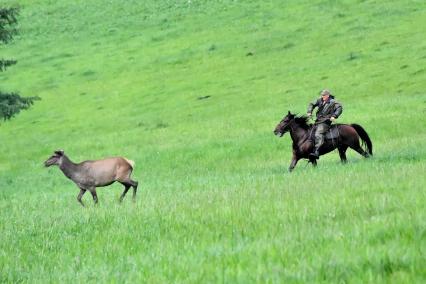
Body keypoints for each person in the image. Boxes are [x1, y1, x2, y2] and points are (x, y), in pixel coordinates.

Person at [307, 89, 342, 159]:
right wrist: (309, 111)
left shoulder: (333, 102)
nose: (322, 96)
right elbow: (312, 104)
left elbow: (339, 108)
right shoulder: (320, 100)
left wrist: (334, 116)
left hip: (326, 121)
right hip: (318, 121)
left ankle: (317, 151)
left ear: (328, 95)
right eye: (322, 95)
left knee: (318, 133)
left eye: (324, 95)